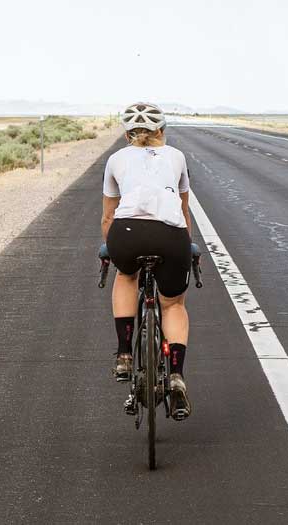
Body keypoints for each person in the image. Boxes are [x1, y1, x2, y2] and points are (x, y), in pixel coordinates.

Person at [101, 102, 193, 420]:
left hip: (126, 231)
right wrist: (187, 246)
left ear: (127, 135)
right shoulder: (177, 156)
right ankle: (177, 376)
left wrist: (109, 248)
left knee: (126, 276)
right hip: (171, 234)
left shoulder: (115, 159)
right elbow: (183, 210)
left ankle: (125, 355)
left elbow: (108, 216)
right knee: (173, 305)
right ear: (162, 131)